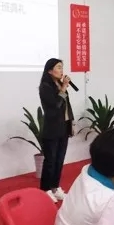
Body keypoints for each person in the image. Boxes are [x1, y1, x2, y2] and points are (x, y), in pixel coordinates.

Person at [39, 58, 75, 202]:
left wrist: (71, 123)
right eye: (58, 67)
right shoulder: (45, 87)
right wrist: (64, 87)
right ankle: (45, 189)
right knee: (50, 160)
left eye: (62, 67)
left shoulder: (59, 84)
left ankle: (55, 187)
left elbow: (66, 107)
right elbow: (55, 105)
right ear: (50, 70)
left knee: (60, 160)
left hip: (63, 127)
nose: (61, 70)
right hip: (52, 129)